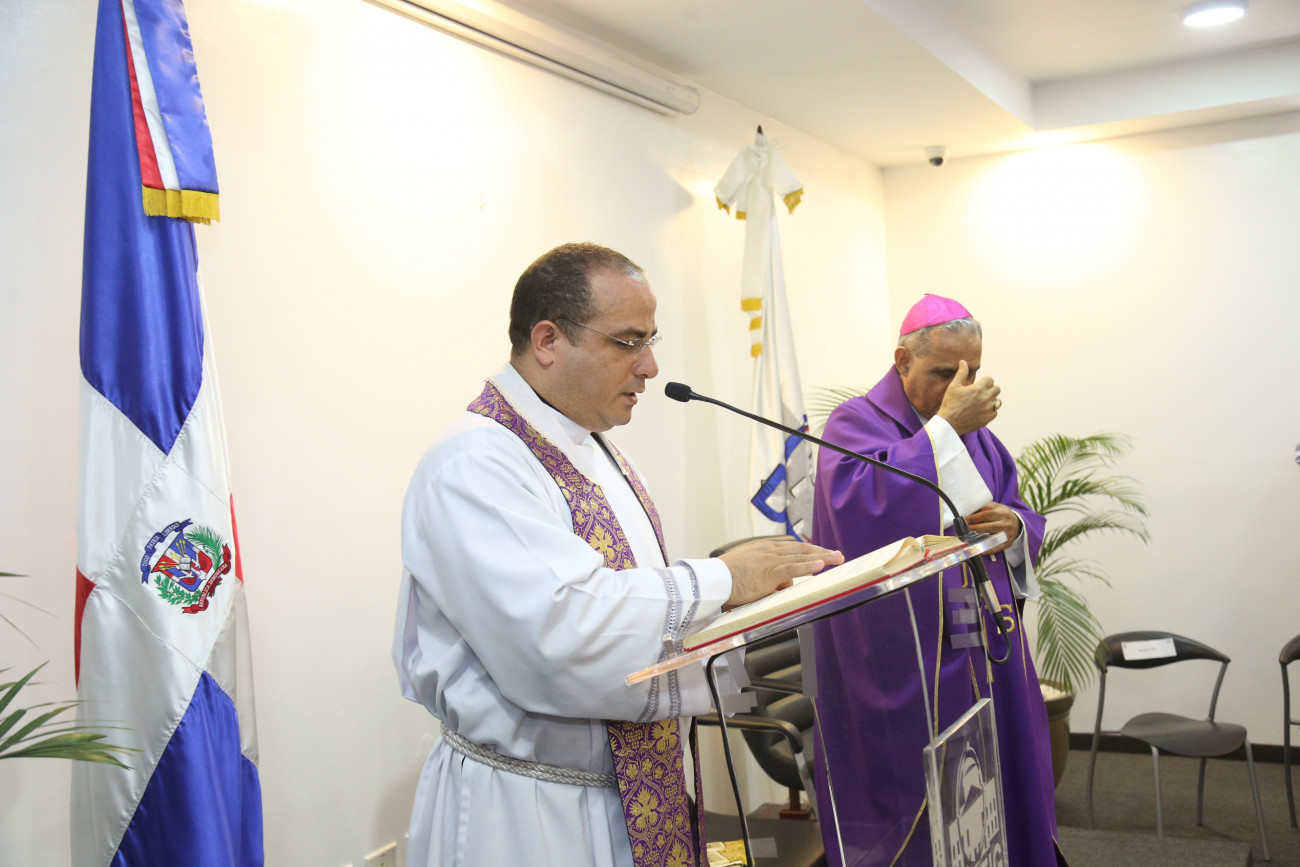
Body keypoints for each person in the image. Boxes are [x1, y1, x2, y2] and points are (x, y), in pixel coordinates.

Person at [393, 242, 843, 867]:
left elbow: (627, 598)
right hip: (531, 815)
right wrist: (721, 581)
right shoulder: (474, 463)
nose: (651, 366)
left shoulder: (596, 449)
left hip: (634, 794)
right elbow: (561, 633)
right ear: (548, 340)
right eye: (628, 342)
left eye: (650, 341)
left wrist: (759, 600)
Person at [810, 294, 1063, 866]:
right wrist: (947, 430)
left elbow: (1016, 508)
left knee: (1002, 788)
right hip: (908, 655)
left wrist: (1014, 526)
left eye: (970, 371)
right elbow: (861, 511)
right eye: (945, 372)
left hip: (986, 644)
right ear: (902, 361)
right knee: (924, 804)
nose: (960, 385)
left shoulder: (974, 434)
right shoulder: (855, 423)